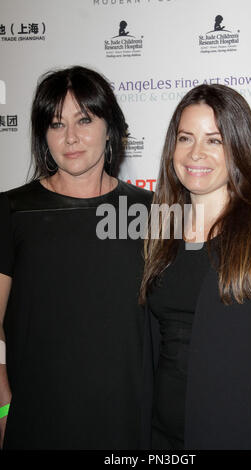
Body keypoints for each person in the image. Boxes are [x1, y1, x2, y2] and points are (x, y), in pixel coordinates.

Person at [139, 84, 251, 450]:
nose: (196, 153)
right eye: (185, 138)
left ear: (239, 148)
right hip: (161, 438)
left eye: (214, 140)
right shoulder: (158, 233)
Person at [0, 65, 152, 449]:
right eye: (56, 124)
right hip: (38, 424)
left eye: (84, 119)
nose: (71, 137)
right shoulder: (13, 211)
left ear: (111, 126)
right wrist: (3, 409)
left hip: (132, 424)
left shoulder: (151, 210)